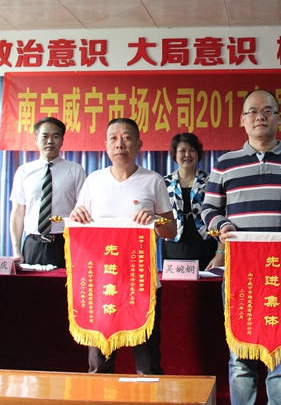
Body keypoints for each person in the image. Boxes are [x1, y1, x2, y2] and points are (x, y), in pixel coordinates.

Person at [202, 89, 281, 405]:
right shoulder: (225, 163)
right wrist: (222, 226)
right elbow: (209, 208)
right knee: (240, 355)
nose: (261, 117)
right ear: (243, 120)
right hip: (240, 272)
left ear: (279, 118)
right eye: (253, 111)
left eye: (268, 111)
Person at [69, 117, 176, 375]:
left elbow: (171, 230)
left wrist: (155, 220)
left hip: (141, 283)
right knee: (99, 365)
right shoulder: (94, 181)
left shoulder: (153, 180)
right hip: (102, 284)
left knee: (148, 364)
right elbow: (78, 231)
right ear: (106, 146)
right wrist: (76, 218)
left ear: (139, 144)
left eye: (127, 138)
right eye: (114, 138)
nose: (120, 144)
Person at [9, 117, 86, 267]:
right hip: (33, 244)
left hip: (64, 243)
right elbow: (18, 213)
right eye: (45, 136)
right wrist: (16, 251)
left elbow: (83, 210)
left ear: (62, 140)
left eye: (55, 136)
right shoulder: (24, 171)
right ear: (36, 139)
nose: (50, 141)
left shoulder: (75, 170)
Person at [162, 133, 217, 270]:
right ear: (175, 154)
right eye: (182, 151)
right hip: (173, 250)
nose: (187, 155)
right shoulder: (164, 183)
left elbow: (221, 214)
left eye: (192, 150)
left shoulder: (210, 181)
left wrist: (220, 253)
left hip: (206, 249)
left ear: (198, 153)